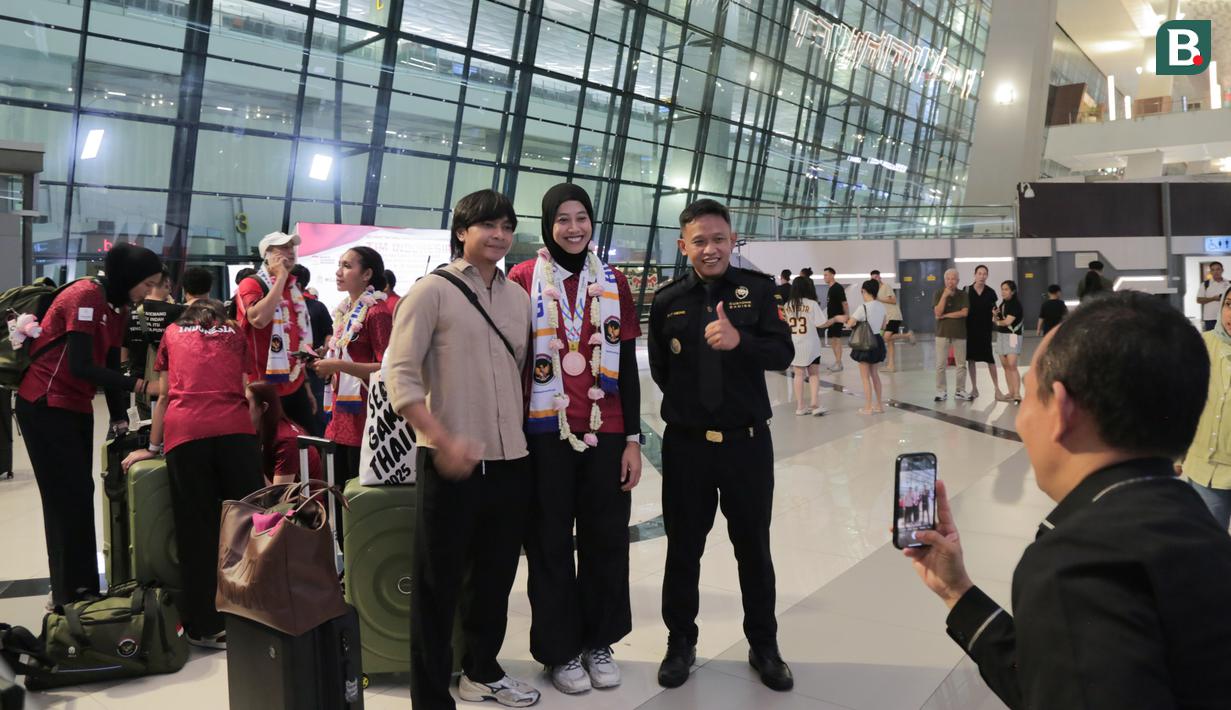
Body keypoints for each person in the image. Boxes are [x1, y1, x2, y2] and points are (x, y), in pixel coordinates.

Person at [904, 291, 1231, 709]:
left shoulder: (1076, 566)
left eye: (1028, 396)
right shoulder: (1199, 528)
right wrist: (956, 591)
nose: (1021, 422)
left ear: (1061, 410)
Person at [385, 189, 539, 709]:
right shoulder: (431, 292)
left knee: (494, 579)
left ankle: (482, 671)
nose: (498, 235)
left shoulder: (518, 298)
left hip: (510, 458)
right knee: (437, 586)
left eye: (506, 226)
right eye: (487, 226)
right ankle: (430, 698)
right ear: (461, 232)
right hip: (449, 462)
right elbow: (398, 375)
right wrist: (442, 436)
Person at [648, 198, 795, 692]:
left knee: (754, 549)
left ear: (733, 240)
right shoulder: (667, 300)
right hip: (688, 446)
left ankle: (764, 645)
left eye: (719, 239)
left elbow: (783, 352)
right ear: (682, 244)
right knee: (683, 550)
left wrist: (741, 342)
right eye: (699, 240)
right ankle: (680, 643)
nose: (710, 249)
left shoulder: (756, 291)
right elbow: (663, 371)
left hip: (747, 446)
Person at [507, 183, 643, 694]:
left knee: (606, 540)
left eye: (581, 217)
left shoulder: (614, 282)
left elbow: (627, 366)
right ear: (547, 225)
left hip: (604, 431)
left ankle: (599, 641)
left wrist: (632, 438)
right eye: (561, 218)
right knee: (548, 543)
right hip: (544, 432)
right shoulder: (522, 278)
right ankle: (560, 650)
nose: (573, 227)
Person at [15, 243, 163, 606]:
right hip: (45, 404)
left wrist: (119, 418)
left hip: (75, 405)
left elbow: (111, 365)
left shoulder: (119, 307)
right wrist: (143, 385)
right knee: (66, 499)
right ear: (128, 277)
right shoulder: (85, 296)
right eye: (147, 284)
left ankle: (79, 589)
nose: (149, 292)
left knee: (79, 495)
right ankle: (70, 593)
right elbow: (81, 365)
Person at [120, 300, 263, 648]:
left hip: (187, 434)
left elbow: (167, 396)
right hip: (235, 431)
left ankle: (204, 624)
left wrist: (151, 448)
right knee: (246, 523)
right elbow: (246, 389)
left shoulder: (171, 333)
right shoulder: (235, 333)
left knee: (195, 530)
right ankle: (253, 611)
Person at [311, 247, 392, 547]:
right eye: (339, 265)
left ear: (367, 273)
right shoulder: (347, 309)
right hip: (339, 421)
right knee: (338, 499)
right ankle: (345, 567)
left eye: (347, 266)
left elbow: (387, 368)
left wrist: (340, 365)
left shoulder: (377, 312)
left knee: (358, 503)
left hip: (364, 425)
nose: (338, 272)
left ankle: (361, 566)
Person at [235, 232, 317, 432]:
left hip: (294, 384)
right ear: (267, 254)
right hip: (262, 387)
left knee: (308, 446)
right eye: (283, 247)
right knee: (268, 449)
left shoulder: (294, 288)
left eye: (291, 247)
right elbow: (258, 319)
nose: (290, 251)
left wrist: (306, 385)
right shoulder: (251, 284)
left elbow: (296, 340)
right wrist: (280, 277)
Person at [1178, 288, 1231, 530]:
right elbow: (1183, 400)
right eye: (1229, 304)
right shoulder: (1201, 345)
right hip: (1206, 470)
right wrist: (1177, 453)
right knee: (1208, 549)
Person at [123, 266, 185, 420]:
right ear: (166, 283)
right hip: (171, 383)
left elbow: (122, 353)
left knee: (144, 430)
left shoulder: (130, 314)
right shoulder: (177, 312)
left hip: (140, 384)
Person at [246, 381, 321, 484]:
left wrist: (250, 461)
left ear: (264, 407)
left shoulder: (287, 441)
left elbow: (279, 495)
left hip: (301, 499)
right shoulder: (261, 430)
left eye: (246, 404)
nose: (241, 409)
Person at [290, 264, 333, 437]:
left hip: (313, 368)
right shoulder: (280, 307)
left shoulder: (317, 307)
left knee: (317, 414)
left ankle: (320, 455)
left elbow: (329, 333)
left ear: (298, 285)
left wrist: (324, 349)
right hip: (287, 370)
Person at [783, 276, 825, 416]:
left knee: (798, 375)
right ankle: (814, 402)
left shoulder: (787, 305)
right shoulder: (812, 304)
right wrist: (836, 319)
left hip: (795, 343)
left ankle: (800, 406)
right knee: (813, 373)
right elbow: (821, 323)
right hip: (811, 343)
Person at [847, 279, 887, 414]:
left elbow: (850, 323)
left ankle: (868, 407)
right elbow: (883, 326)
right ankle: (879, 405)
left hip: (865, 342)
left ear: (865, 291)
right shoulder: (881, 306)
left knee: (865, 377)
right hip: (877, 340)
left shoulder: (863, 307)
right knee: (875, 374)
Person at [964, 265, 1003, 401]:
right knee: (971, 359)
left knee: (990, 359)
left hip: (985, 330)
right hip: (970, 330)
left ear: (987, 276)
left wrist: (996, 315)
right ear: (974, 275)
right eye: (979, 273)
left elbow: (996, 311)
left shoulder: (991, 292)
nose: (982, 276)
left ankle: (997, 388)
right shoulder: (967, 290)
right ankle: (974, 388)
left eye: (984, 274)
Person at [933, 268, 970, 402]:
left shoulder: (963, 295)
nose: (950, 281)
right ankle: (941, 391)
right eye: (948, 279)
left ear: (958, 281)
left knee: (961, 364)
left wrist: (946, 315)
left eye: (953, 278)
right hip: (942, 334)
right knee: (940, 364)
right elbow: (937, 313)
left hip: (959, 334)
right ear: (944, 280)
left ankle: (960, 390)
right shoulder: (938, 293)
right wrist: (944, 296)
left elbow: (964, 312)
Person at [992, 280, 1024, 404]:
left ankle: (1017, 393)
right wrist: (994, 315)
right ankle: (1011, 392)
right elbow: (996, 319)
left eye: (1006, 289)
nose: (1003, 292)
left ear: (1013, 291)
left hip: (1013, 336)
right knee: (1005, 366)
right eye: (1002, 289)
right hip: (1001, 336)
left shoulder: (1015, 304)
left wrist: (996, 322)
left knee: (1012, 365)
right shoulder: (1002, 304)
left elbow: (1007, 322)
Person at [872, 270, 905, 372]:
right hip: (887, 318)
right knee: (890, 343)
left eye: (876, 277)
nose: (875, 280)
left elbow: (893, 300)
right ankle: (891, 366)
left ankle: (907, 335)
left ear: (880, 277)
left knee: (886, 337)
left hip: (894, 316)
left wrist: (879, 299)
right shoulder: (876, 291)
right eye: (873, 278)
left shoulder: (886, 286)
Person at [819, 267, 848, 372]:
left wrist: (846, 316)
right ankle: (837, 362)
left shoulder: (837, 287)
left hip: (837, 318)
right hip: (831, 319)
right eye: (824, 275)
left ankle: (839, 363)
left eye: (826, 275)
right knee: (833, 341)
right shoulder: (831, 288)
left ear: (832, 275)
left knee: (837, 340)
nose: (824, 277)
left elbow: (844, 303)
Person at [1197, 261, 1228, 332]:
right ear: (1210, 272)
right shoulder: (1205, 284)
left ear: (1222, 270)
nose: (1215, 272)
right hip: (1210, 318)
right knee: (1211, 340)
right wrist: (1213, 298)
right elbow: (1199, 300)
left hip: (1226, 317)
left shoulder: (1229, 283)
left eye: (1218, 269)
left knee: (1226, 340)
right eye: (1213, 270)